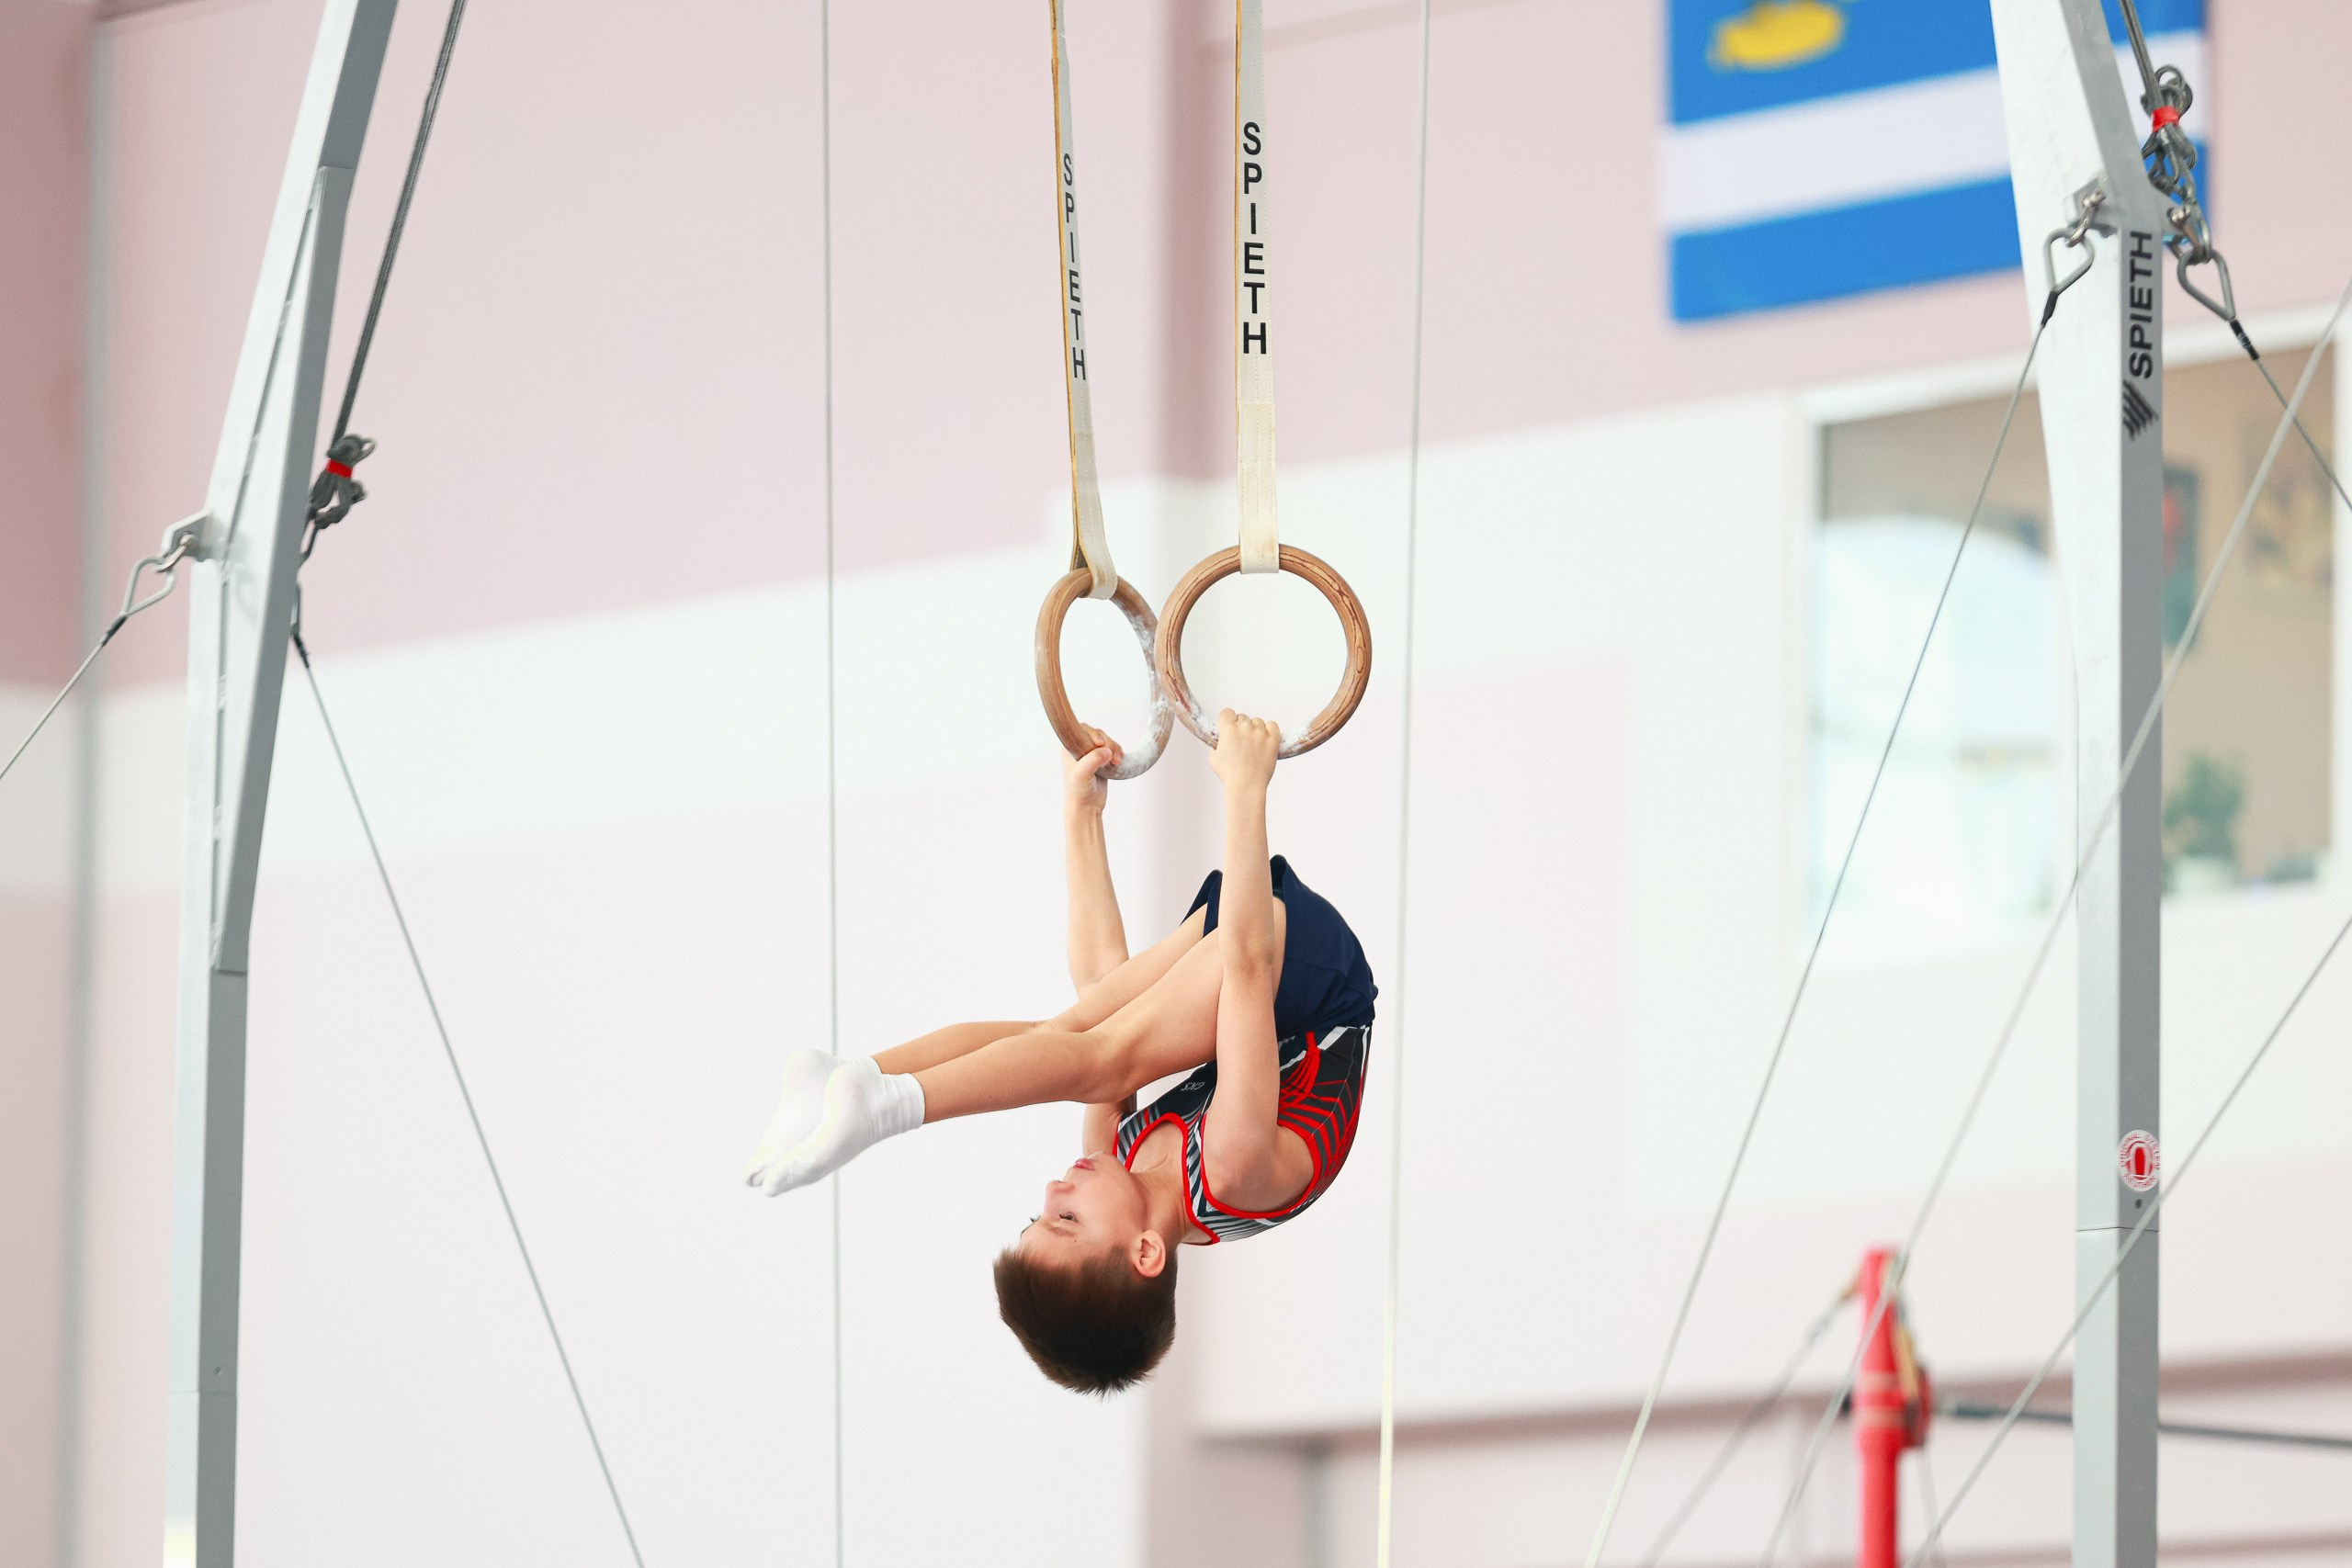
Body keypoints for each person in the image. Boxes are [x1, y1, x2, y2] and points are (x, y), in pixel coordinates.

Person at [742, 709, 1378, 1394]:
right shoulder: (1233, 1172)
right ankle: (888, 1106)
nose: (1053, 1190)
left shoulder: (1120, 1159)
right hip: (1312, 981)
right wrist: (1247, 790)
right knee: (1102, 1058)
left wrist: (1083, 815)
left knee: (1075, 1032)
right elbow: (1248, 964)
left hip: (1252, 962)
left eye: (1037, 1215)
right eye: (1066, 1219)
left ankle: (856, 1075)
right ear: (1145, 1251)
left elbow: (1101, 980)